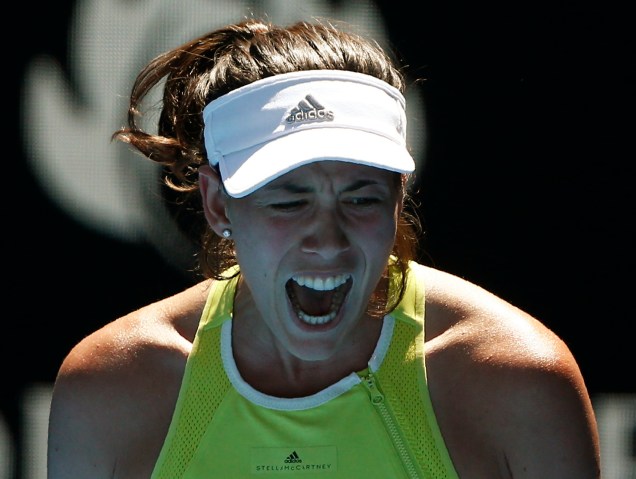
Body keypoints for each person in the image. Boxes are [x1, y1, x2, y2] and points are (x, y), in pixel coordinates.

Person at [46, 18, 601, 479]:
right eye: (289, 203)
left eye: (361, 199)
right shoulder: (108, 390)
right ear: (218, 207)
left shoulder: (521, 382)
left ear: (396, 199)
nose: (328, 240)